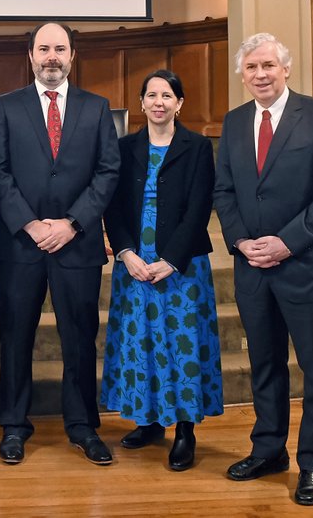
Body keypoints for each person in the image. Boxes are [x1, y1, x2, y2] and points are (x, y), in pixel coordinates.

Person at [213, 32, 313, 507]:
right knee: (264, 365)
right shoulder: (233, 123)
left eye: (268, 65)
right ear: (243, 74)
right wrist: (240, 241)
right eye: (251, 68)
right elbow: (224, 191)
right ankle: (269, 450)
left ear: (286, 68)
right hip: (253, 268)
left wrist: (286, 242)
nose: (261, 75)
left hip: (308, 266)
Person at [0, 21, 119, 466]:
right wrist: (29, 224)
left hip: (77, 245)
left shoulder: (97, 108)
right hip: (19, 246)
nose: (51, 57)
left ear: (72, 56)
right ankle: (13, 425)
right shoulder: (5, 107)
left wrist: (73, 223)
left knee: (80, 338)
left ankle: (82, 426)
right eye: (43, 49)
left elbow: (107, 173)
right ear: (30, 56)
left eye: (59, 49)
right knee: (15, 337)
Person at [101, 70, 223, 471]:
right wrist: (125, 252)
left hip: (181, 265)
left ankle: (185, 429)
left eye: (166, 95)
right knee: (142, 345)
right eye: (151, 95)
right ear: (141, 103)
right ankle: (149, 421)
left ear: (179, 103)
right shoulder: (123, 147)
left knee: (182, 346)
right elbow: (112, 207)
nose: (158, 102)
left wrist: (170, 260)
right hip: (134, 263)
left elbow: (199, 208)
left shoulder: (198, 146)